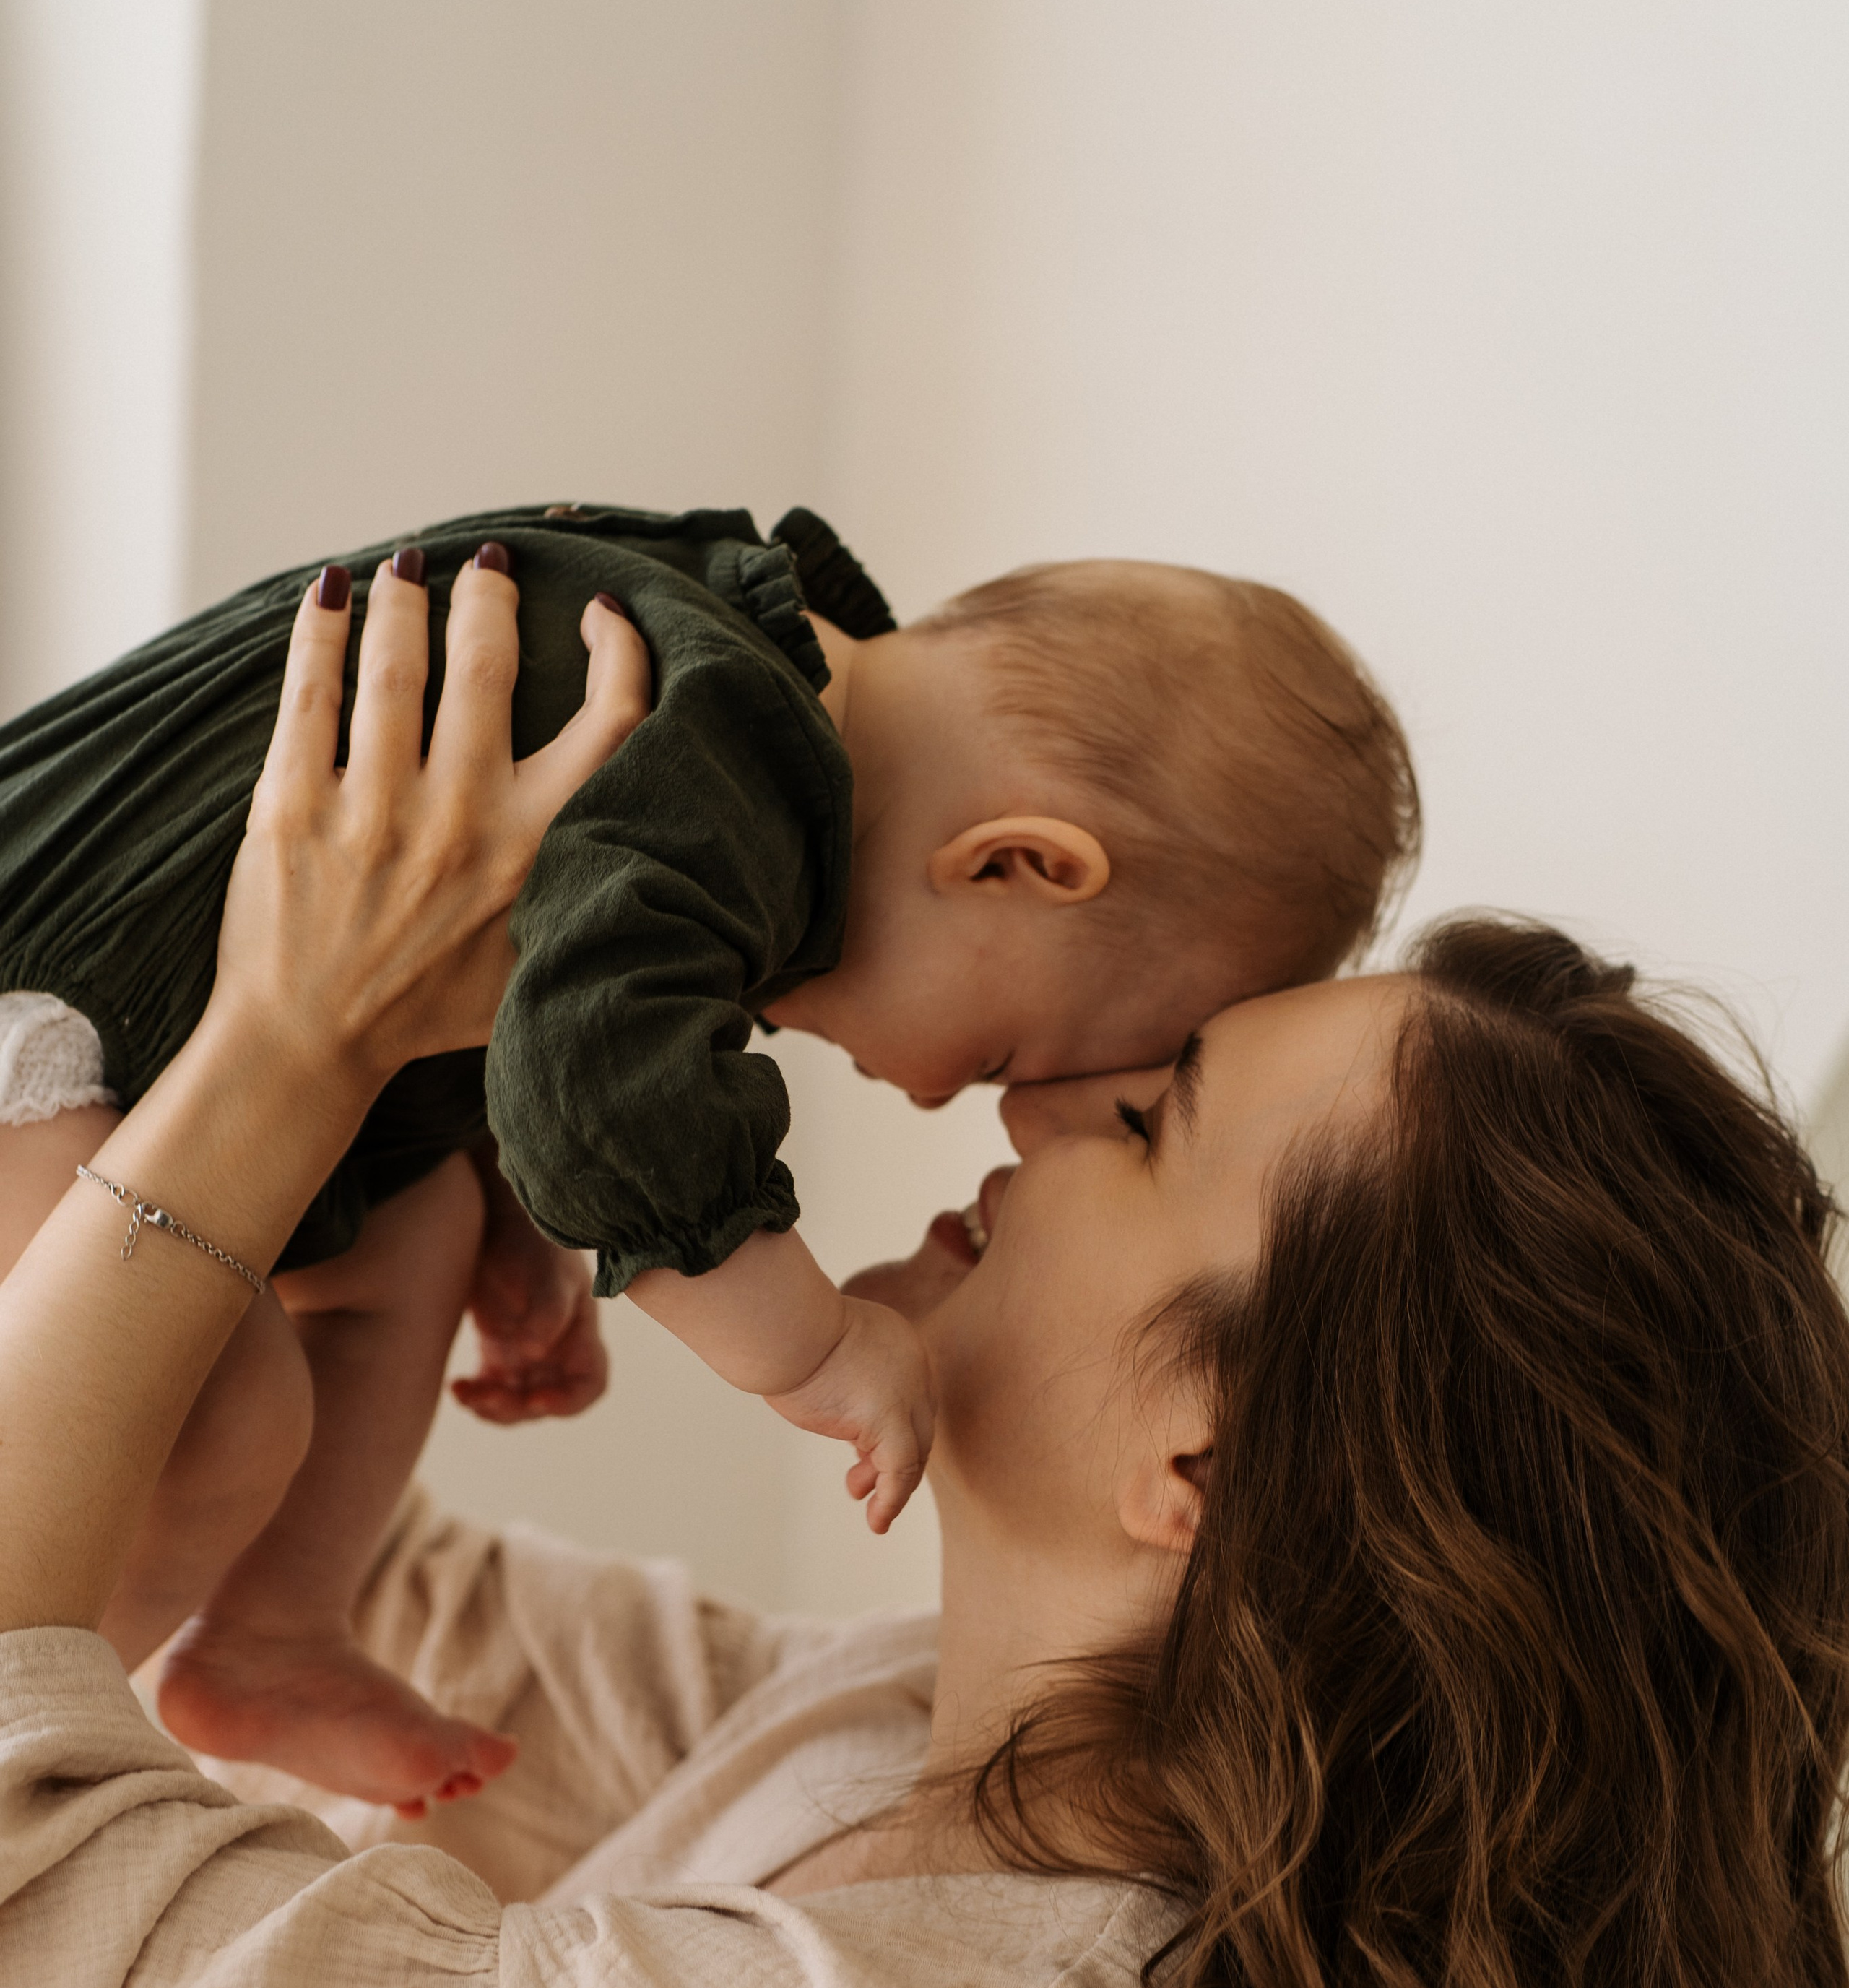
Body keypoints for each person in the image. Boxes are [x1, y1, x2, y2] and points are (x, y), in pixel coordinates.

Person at [1, 569, 1842, 1988]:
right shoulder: (929, 1757)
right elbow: (361, 1609)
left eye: (1151, 1118)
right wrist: (433, 1177)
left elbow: (39, 1842)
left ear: (1204, 1454)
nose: (1035, 1111)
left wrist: (284, 1051)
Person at [0, 504, 1417, 1811]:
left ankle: (272, 1631)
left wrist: (502, 1188)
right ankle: (30, 1768)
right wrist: (809, 1345)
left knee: (418, 1237)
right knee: (231, 1414)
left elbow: (532, 995)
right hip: (38, 1024)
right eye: (999, 1059)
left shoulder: (737, 661)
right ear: (1016, 864)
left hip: (128, 1031)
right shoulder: (729, 769)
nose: (953, 1103)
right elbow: (601, 1093)